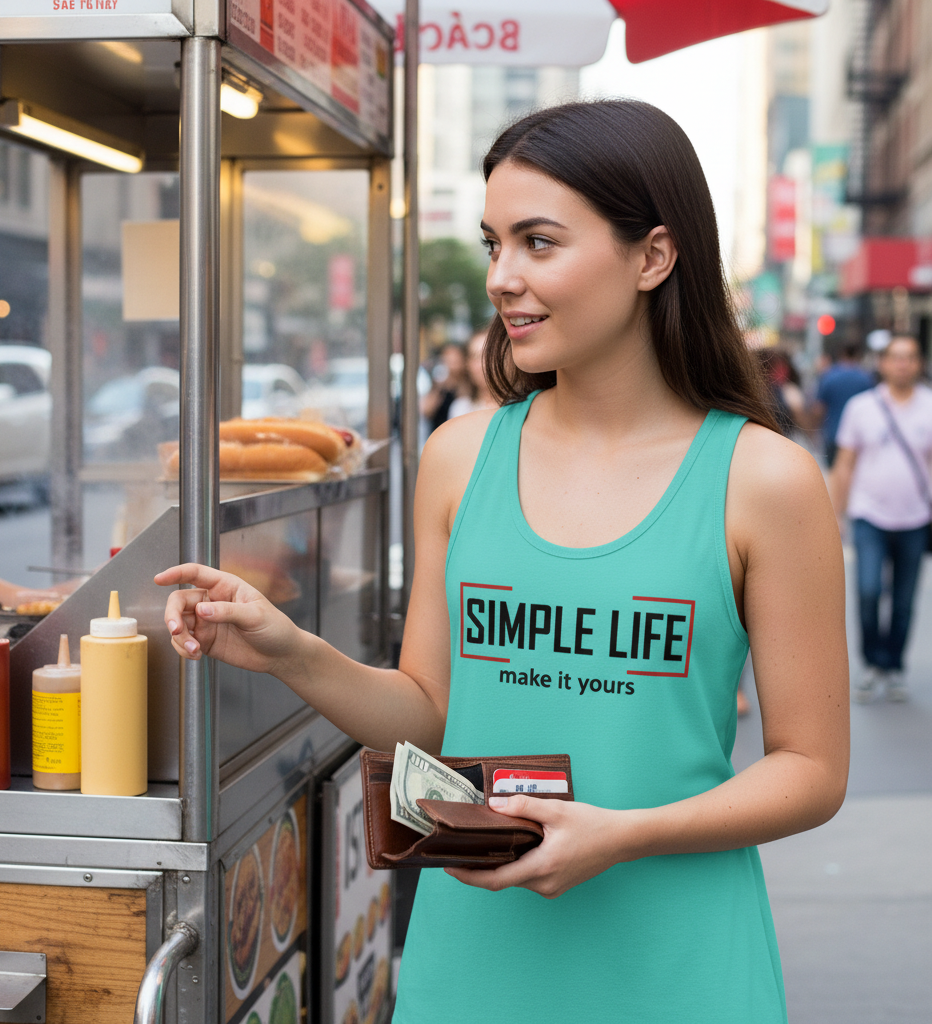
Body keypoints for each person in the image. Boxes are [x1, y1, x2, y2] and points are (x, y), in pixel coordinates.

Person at [157, 101, 849, 1023]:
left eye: (539, 242)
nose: (502, 278)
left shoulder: (764, 479)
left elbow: (811, 768)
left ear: (653, 256)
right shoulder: (460, 455)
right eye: (494, 244)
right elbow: (431, 716)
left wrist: (623, 835)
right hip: (472, 963)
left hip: (682, 966)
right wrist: (289, 650)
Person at [829, 334, 932, 703]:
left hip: (915, 518)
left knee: (904, 600)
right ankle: (872, 662)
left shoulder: (928, 407)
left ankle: (894, 665)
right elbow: (845, 464)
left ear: (918, 364)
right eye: (896, 357)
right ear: (883, 364)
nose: (903, 364)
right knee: (868, 590)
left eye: (910, 357)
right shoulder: (862, 407)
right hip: (868, 514)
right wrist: (836, 514)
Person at [813, 340, 874, 467]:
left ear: (841, 354)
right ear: (858, 355)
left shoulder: (828, 376)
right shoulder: (866, 378)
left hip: (832, 434)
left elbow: (819, 409)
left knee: (833, 475)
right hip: (859, 437)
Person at [447, 329, 497, 418]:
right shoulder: (460, 409)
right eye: (476, 357)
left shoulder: (522, 408)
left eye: (490, 354)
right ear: (468, 365)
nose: (484, 363)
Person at [420, 342, 467, 433]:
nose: (452, 362)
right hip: (438, 433)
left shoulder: (467, 387)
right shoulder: (439, 385)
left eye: (455, 359)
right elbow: (426, 411)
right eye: (448, 358)